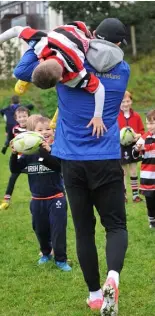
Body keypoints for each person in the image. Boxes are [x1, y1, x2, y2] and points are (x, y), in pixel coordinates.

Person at [50, 18, 129, 316]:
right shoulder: (123, 70)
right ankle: (113, 276)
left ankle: (95, 295)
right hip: (106, 158)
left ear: (94, 35)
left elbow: (25, 70)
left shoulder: (72, 66)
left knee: (84, 231)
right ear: (120, 43)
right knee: (116, 226)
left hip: (72, 160)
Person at [0, 21, 124, 138]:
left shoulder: (76, 74)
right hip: (60, 35)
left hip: (75, 35)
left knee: (68, 89)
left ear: (60, 78)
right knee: (19, 72)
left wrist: (97, 116)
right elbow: (16, 30)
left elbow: (99, 88)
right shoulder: (41, 44)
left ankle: (31, 77)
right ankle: (28, 75)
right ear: (41, 61)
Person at [10, 115, 71, 271]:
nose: (45, 132)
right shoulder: (28, 154)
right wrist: (13, 154)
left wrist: (45, 150)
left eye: (48, 129)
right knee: (40, 230)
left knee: (58, 231)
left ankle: (61, 259)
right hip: (37, 200)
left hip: (56, 198)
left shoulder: (56, 150)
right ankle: (45, 253)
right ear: (32, 133)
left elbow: (58, 166)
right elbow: (15, 169)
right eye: (40, 130)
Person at [0, 106, 30, 210]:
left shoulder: (32, 128)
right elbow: (12, 141)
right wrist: (9, 146)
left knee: (36, 177)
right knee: (12, 178)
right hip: (19, 160)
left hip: (31, 159)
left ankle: (38, 196)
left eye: (24, 116)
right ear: (16, 119)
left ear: (28, 117)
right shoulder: (15, 129)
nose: (22, 118)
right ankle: (7, 199)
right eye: (20, 117)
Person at [118, 91, 145, 203]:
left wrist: (137, 136)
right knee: (123, 172)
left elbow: (142, 132)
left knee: (134, 171)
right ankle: (123, 195)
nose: (125, 104)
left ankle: (135, 195)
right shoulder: (116, 116)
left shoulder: (137, 116)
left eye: (128, 101)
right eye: (123, 101)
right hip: (121, 147)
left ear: (131, 102)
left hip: (133, 147)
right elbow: (113, 131)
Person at [132, 109, 155, 228]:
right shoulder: (144, 138)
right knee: (150, 203)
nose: (149, 126)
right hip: (148, 177)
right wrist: (137, 149)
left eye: (152, 123)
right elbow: (134, 154)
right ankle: (152, 220)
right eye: (147, 123)